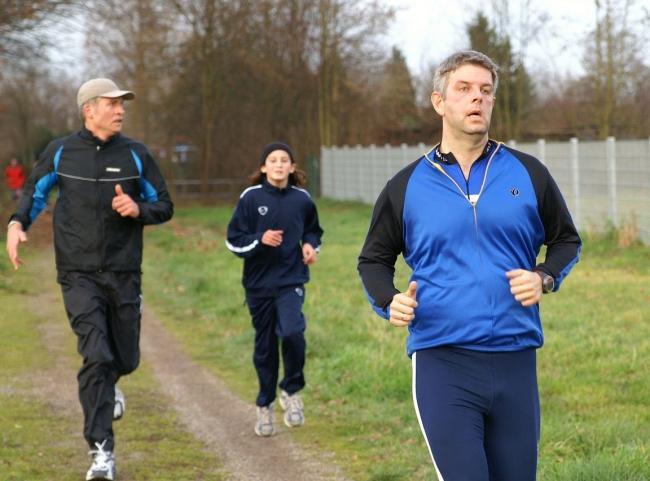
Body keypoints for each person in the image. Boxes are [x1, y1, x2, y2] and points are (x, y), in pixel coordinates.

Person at [358, 50, 581, 481]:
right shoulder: (405, 186)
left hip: (515, 360)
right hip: (444, 360)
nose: (477, 99)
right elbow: (373, 259)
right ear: (439, 101)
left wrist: (543, 276)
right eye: (464, 89)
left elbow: (567, 240)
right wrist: (389, 301)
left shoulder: (528, 173)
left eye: (486, 91)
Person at [6, 78, 173, 481]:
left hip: (124, 272)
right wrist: (17, 223)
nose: (120, 110)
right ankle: (101, 451)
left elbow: (164, 205)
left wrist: (137, 209)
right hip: (77, 273)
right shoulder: (60, 151)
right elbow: (35, 193)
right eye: (112, 104)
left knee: (125, 358)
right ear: (89, 110)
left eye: (122, 105)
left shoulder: (136, 154)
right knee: (96, 356)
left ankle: (113, 381)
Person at [226, 141, 323, 437]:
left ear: (292, 167)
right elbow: (233, 240)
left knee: (293, 333)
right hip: (258, 285)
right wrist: (260, 239)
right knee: (265, 347)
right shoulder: (250, 198)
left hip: (291, 280)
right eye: (273, 160)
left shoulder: (302, 199)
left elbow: (313, 229)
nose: (279, 164)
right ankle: (265, 404)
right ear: (264, 167)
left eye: (284, 160)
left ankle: (291, 391)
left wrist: (309, 245)